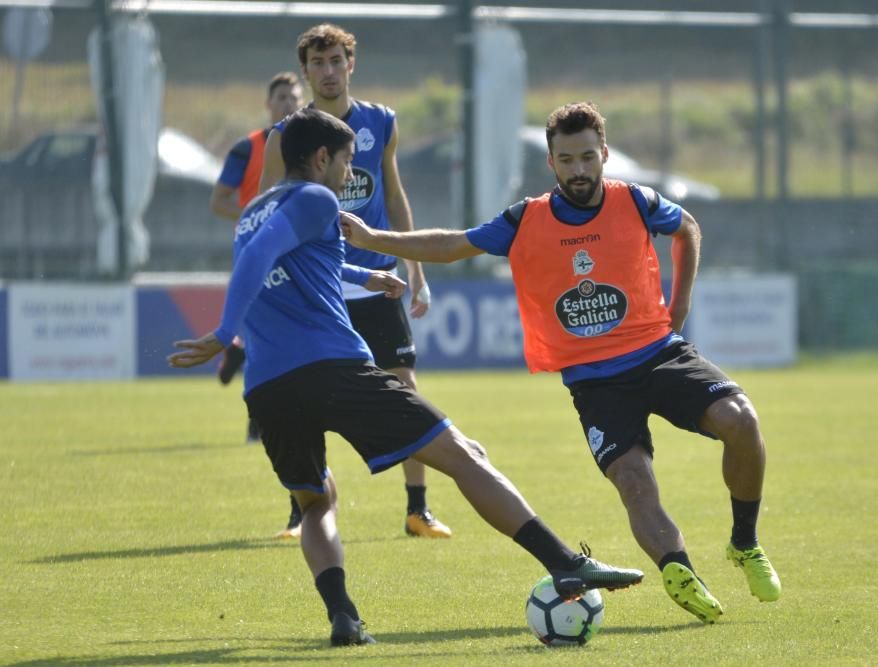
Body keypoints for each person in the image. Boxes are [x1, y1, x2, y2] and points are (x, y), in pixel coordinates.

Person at [167, 108, 644, 646]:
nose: (349, 176)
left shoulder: (255, 210)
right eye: (346, 163)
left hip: (269, 387)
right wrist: (223, 329)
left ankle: (344, 618)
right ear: (321, 158)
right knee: (466, 455)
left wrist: (366, 274)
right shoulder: (315, 198)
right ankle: (564, 563)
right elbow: (258, 257)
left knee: (316, 502)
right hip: (334, 369)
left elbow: (296, 256)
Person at [340, 101, 782, 625]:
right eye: (567, 160)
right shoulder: (527, 219)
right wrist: (372, 239)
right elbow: (454, 244)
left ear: (604, 156)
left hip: (660, 354)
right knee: (635, 481)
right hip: (596, 383)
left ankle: (744, 542)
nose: (578, 170)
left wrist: (679, 304)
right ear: (551, 162)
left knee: (742, 420)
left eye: (587, 158)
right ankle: (679, 570)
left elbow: (686, 227)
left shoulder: (635, 200)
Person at [258, 23, 450, 540]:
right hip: (312, 286)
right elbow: (263, 209)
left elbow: (394, 191)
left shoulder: (379, 123)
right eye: (317, 63)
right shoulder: (286, 137)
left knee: (404, 385)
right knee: (304, 392)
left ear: (351, 65)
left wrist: (416, 269)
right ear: (305, 72)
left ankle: (418, 509)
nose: (327, 71)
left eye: (336, 61)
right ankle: (304, 510)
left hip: (374, 280)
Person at [210, 71, 304, 440]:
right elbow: (218, 200)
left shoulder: (312, 143)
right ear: (268, 105)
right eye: (280, 97)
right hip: (258, 253)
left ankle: (239, 352)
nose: (287, 103)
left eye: (293, 97)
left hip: (297, 251)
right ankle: (257, 419)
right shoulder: (248, 148)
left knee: (286, 334)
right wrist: (254, 217)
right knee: (264, 335)